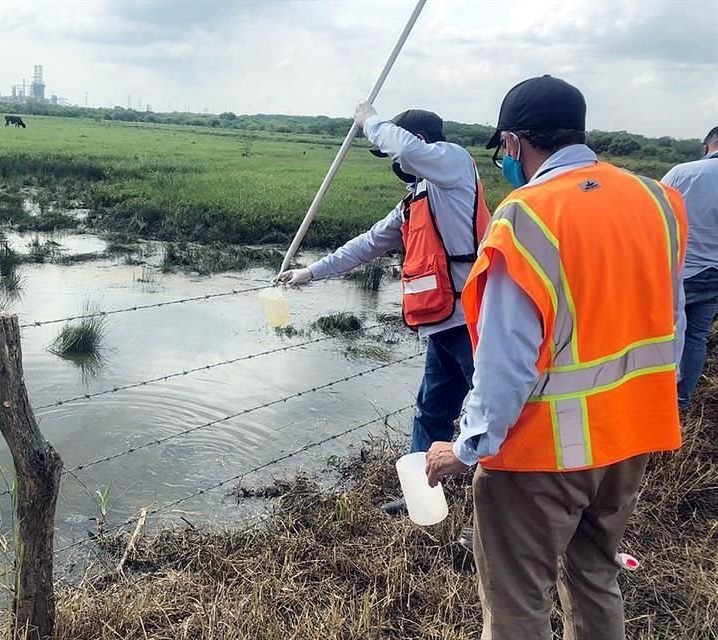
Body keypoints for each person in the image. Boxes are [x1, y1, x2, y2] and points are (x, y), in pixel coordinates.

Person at [424, 75, 687, 640]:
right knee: (595, 576)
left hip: (541, 454)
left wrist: (467, 448)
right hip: (631, 437)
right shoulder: (658, 198)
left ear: (515, 143)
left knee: (518, 603)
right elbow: (676, 320)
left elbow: (505, 364)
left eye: (503, 150)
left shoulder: (527, 216)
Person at [277, 104, 491, 511]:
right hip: (442, 324)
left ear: (420, 144)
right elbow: (368, 243)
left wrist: (369, 119)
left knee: (492, 414)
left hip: (475, 320)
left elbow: (404, 148)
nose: (394, 163)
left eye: (395, 154)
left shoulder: (454, 165)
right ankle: (422, 500)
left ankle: (494, 509)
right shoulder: (414, 201)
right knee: (431, 412)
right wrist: (310, 273)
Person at [663, 126, 718, 409]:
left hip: (680, 271)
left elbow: (655, 211)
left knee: (663, 335)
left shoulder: (683, 172)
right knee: (697, 335)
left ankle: (657, 397)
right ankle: (681, 401)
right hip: (714, 276)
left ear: (708, 144)